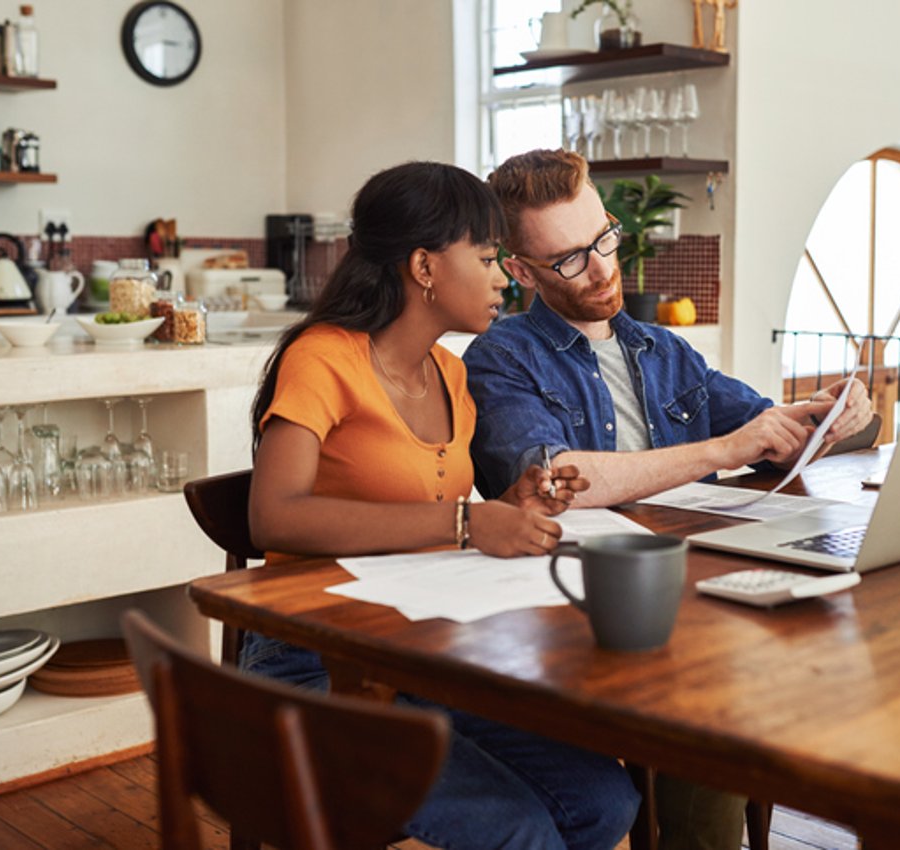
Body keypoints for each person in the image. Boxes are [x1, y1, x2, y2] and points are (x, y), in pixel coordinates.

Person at [464, 148, 873, 850]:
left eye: (604, 240)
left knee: (799, 655)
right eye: (569, 260)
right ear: (520, 271)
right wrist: (725, 450)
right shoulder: (501, 357)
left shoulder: (664, 350)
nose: (601, 268)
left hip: (694, 590)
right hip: (580, 610)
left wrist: (834, 415)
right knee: (719, 701)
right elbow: (554, 480)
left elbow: (770, 432)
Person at [245, 160, 640, 850]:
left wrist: (515, 500)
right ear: (424, 266)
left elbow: (437, 497)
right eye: (487, 257)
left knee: (603, 802)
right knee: (519, 831)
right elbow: (272, 516)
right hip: (313, 663)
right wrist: (462, 523)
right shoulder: (323, 358)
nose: (501, 277)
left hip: (420, 651)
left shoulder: (453, 373)